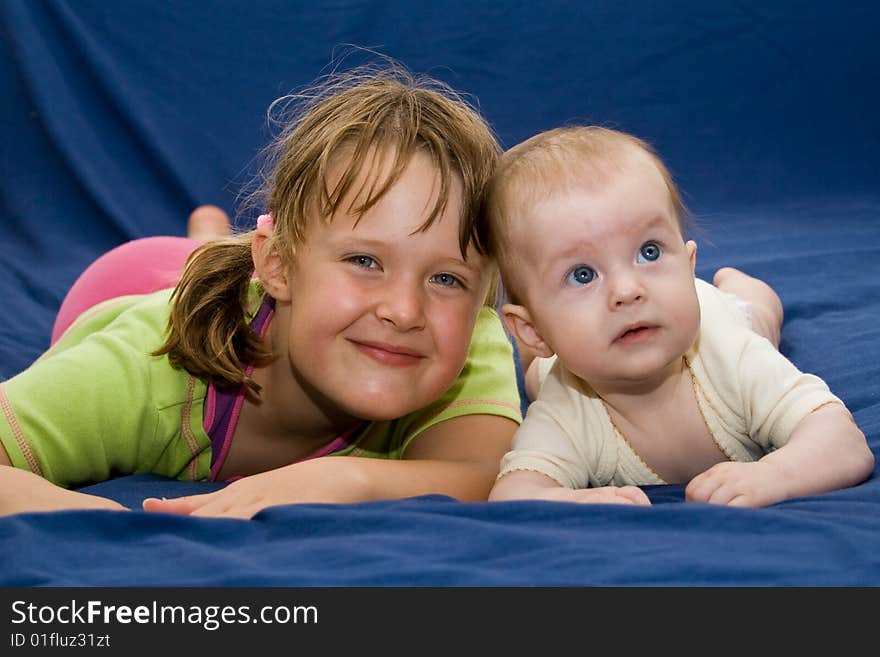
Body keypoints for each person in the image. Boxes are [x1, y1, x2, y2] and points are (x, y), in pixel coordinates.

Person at [0, 64, 523, 519]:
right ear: (277, 264)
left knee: (218, 250)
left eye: (445, 278)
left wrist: (344, 481)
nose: (406, 310)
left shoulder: (465, 336)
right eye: (364, 261)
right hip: (136, 283)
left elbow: (487, 475)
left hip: (256, 273)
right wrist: (99, 519)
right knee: (195, 261)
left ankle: (209, 232)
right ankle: (204, 235)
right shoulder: (144, 370)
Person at [485, 126, 874, 507]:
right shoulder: (567, 407)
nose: (627, 290)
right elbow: (514, 492)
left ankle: (748, 289)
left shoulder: (731, 357)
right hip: (563, 357)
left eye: (649, 252)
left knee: (753, 314)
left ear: (688, 266)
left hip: (721, 315)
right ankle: (540, 352)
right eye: (582, 275)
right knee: (541, 374)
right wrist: (571, 500)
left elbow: (843, 442)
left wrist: (776, 475)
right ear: (531, 328)